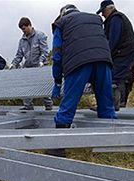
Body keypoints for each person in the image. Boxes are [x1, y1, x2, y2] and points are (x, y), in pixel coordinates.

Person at [49, 4, 116, 157]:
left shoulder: (61, 22)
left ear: (62, 14)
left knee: (69, 104)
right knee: (106, 105)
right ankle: (108, 147)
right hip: (103, 60)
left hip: (78, 62)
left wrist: (57, 81)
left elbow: (57, 55)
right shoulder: (95, 18)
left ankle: (57, 149)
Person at [97, 0, 134, 111]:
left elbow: (113, 40)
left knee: (112, 78)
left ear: (109, 9)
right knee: (113, 77)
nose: (102, 15)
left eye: (103, 11)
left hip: (123, 52)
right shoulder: (115, 18)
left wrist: (107, 55)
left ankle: (109, 106)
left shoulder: (116, 18)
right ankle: (111, 105)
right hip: (123, 51)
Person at [10, 17, 53, 111]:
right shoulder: (22, 41)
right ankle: (28, 106)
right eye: (21, 29)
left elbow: (45, 51)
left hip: (40, 66)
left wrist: (41, 61)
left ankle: (48, 106)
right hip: (28, 67)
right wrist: (13, 64)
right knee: (26, 86)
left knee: (43, 87)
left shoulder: (40, 35)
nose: (23, 31)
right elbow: (19, 55)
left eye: (24, 28)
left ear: (30, 25)